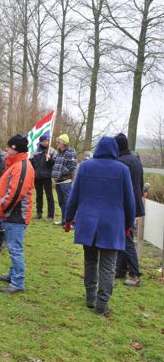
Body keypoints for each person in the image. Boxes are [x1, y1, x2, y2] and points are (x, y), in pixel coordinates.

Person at [63, 136, 135, 316]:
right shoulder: (122, 170)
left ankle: (90, 297)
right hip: (112, 224)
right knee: (108, 266)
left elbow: (74, 195)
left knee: (90, 261)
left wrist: (68, 218)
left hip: (88, 222)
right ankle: (102, 304)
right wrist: (128, 225)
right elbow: (129, 201)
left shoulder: (86, 166)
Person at [0, 134, 35, 293]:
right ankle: (13, 274)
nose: (5, 149)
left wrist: (2, 206)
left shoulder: (22, 166)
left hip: (16, 214)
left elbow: (15, 192)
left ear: (15, 149)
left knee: (15, 248)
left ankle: (18, 282)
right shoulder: (18, 164)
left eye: (8, 147)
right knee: (13, 246)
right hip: (13, 213)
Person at [114, 133, 145, 287]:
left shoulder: (120, 162)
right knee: (123, 238)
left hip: (124, 206)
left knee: (126, 240)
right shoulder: (136, 160)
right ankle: (120, 270)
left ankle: (134, 274)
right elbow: (141, 184)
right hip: (134, 205)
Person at [52, 134, 77, 226]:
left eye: (59, 142)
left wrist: (62, 173)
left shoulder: (71, 152)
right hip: (58, 181)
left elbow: (72, 166)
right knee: (61, 202)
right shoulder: (59, 152)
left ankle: (71, 222)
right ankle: (64, 220)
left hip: (65, 181)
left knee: (68, 202)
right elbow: (57, 164)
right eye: (57, 141)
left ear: (64, 143)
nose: (57, 143)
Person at [31, 132, 56, 221]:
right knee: (39, 196)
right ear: (40, 142)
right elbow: (32, 163)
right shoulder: (35, 151)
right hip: (37, 177)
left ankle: (50, 215)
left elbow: (55, 163)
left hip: (47, 176)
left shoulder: (51, 151)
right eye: (44, 141)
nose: (46, 142)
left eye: (47, 141)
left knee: (49, 196)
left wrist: (50, 159)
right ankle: (39, 214)